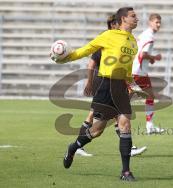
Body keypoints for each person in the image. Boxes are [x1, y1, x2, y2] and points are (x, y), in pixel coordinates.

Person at [52, 7, 139, 181]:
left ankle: (125, 172)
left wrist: (130, 84)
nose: (136, 18)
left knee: (125, 126)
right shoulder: (108, 36)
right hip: (106, 86)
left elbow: (127, 67)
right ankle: (73, 147)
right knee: (97, 131)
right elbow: (84, 50)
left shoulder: (132, 40)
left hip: (121, 87)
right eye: (133, 16)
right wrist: (65, 58)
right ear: (123, 19)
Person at [76, 14, 147, 157]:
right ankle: (78, 145)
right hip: (102, 82)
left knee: (112, 116)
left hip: (112, 82)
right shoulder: (106, 38)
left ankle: (79, 145)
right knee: (98, 118)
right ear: (115, 24)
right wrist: (89, 83)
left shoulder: (121, 41)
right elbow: (91, 62)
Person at [132, 13, 164, 134]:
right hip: (139, 71)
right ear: (150, 22)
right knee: (150, 96)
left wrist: (150, 58)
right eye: (156, 22)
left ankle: (150, 125)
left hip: (136, 69)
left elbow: (139, 50)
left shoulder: (144, 34)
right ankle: (149, 125)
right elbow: (142, 54)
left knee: (148, 95)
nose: (158, 25)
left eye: (159, 22)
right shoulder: (150, 37)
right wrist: (154, 57)